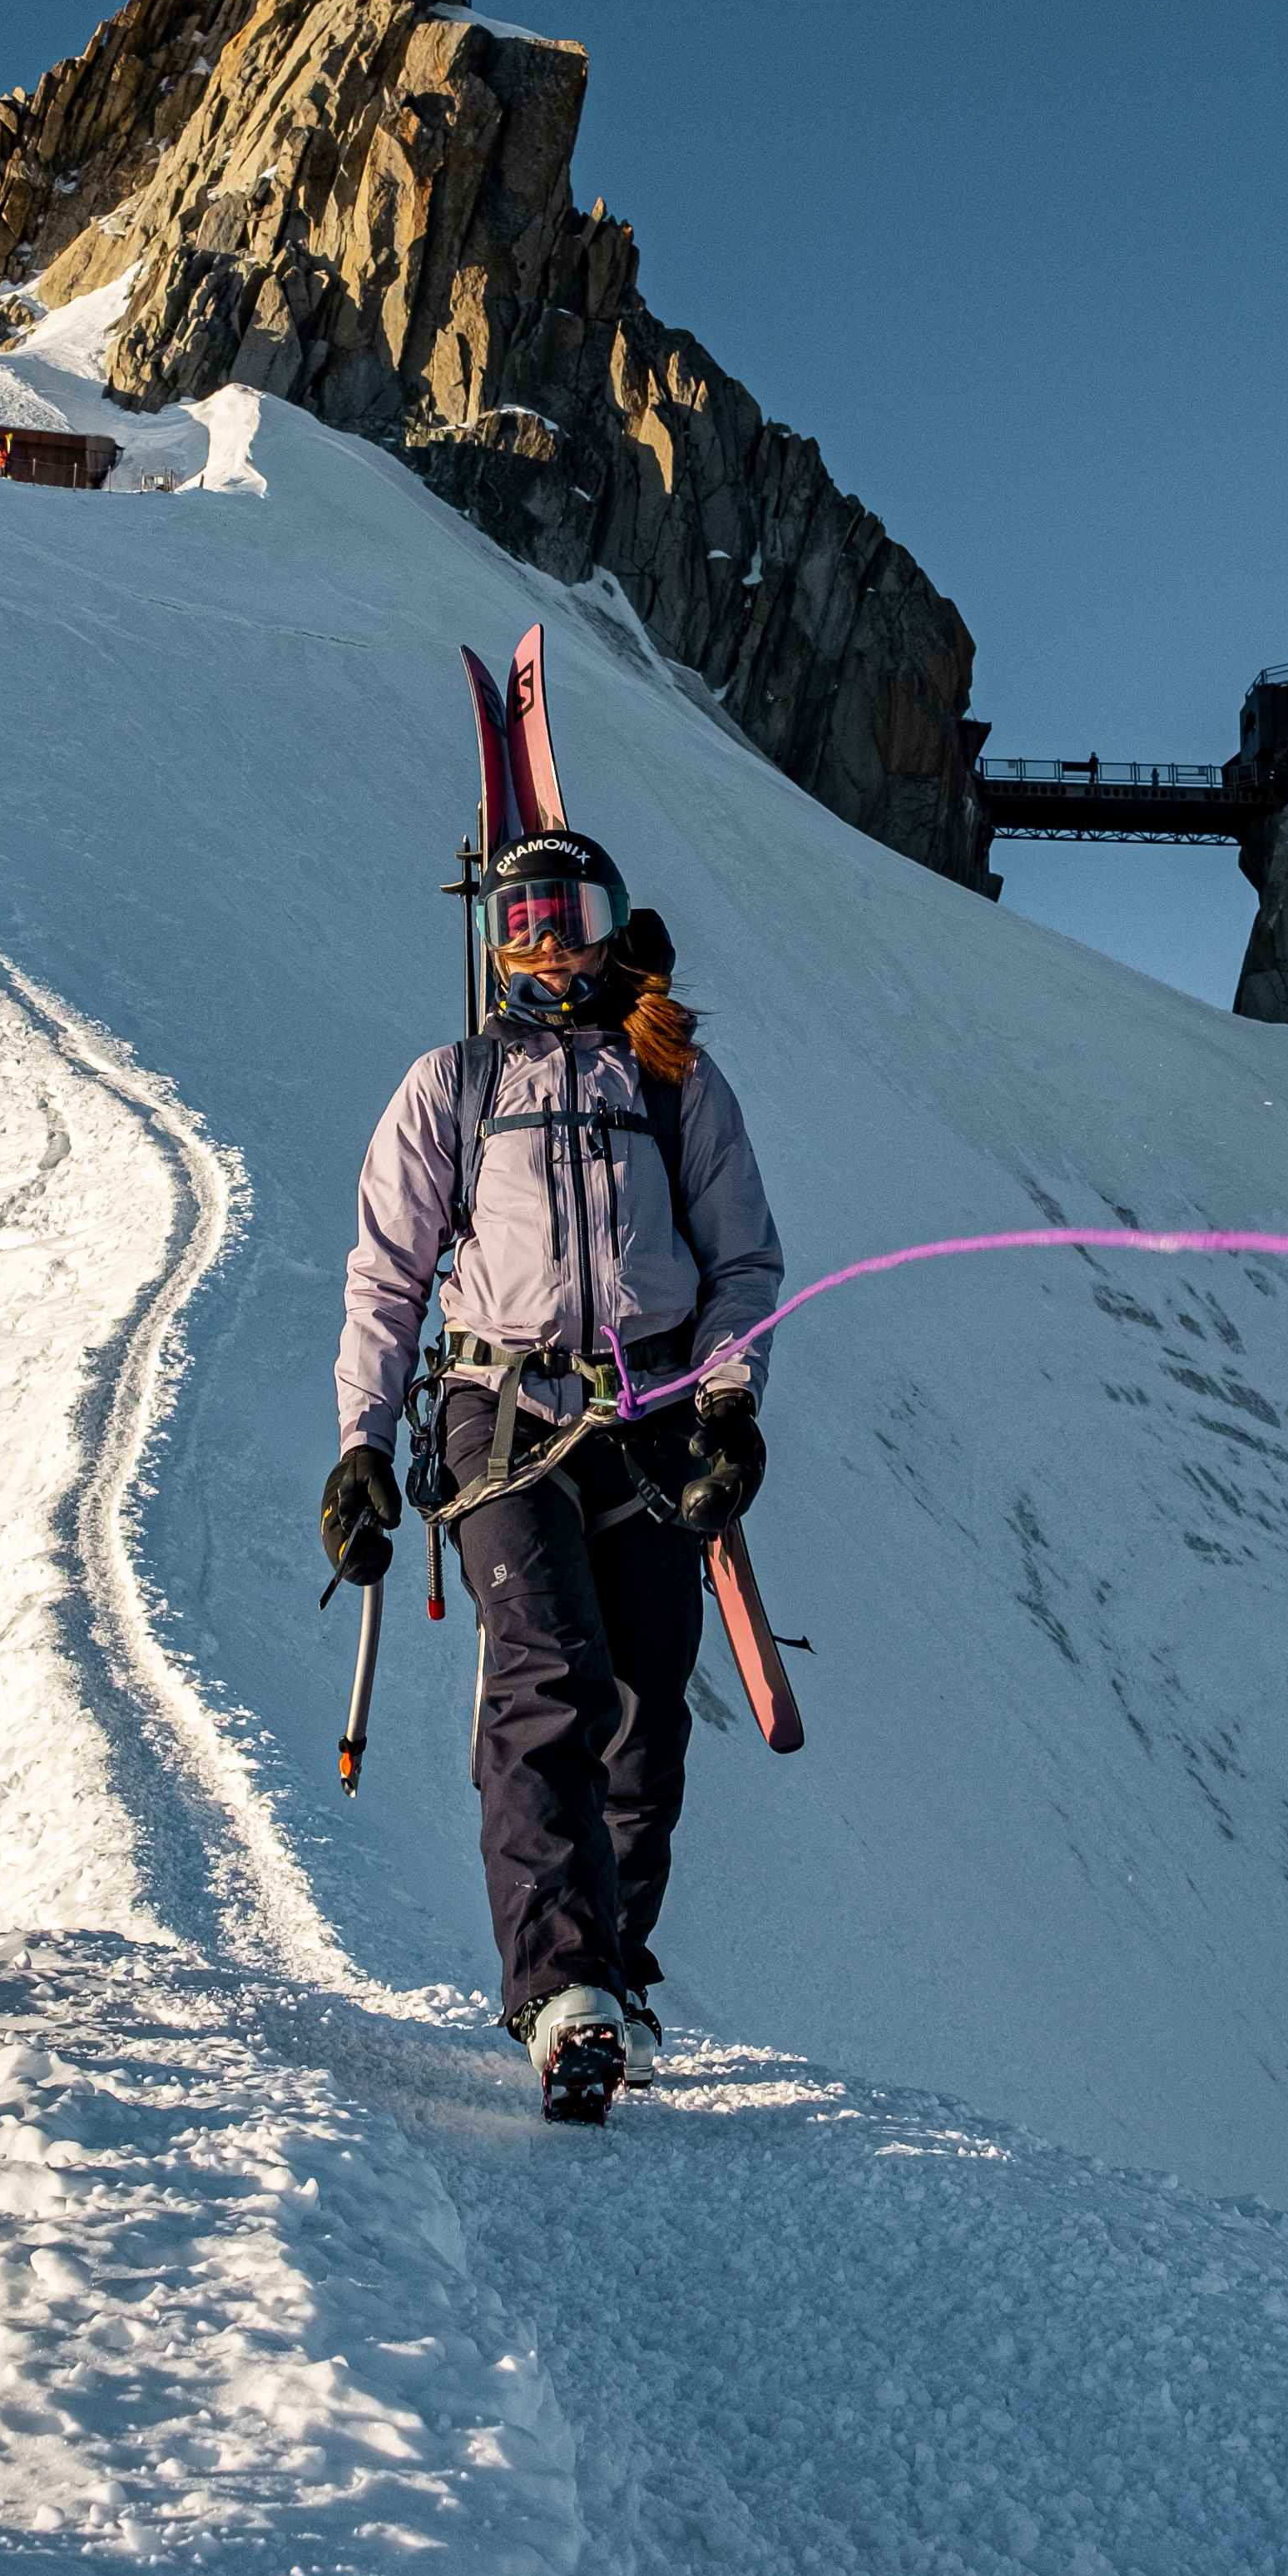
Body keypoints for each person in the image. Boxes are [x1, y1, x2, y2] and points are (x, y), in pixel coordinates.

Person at [326, 828, 782, 2122]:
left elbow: (742, 1266)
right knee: (549, 1668)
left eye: (567, 915)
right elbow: (386, 1275)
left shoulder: (677, 1081)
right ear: (491, 939)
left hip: (652, 1416)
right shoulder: (453, 1085)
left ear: (610, 923)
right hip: (499, 1414)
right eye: (519, 919)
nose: (545, 942)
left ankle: (619, 1974)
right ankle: (562, 1988)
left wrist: (731, 1410)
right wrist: (364, 1442)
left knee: (649, 1706)